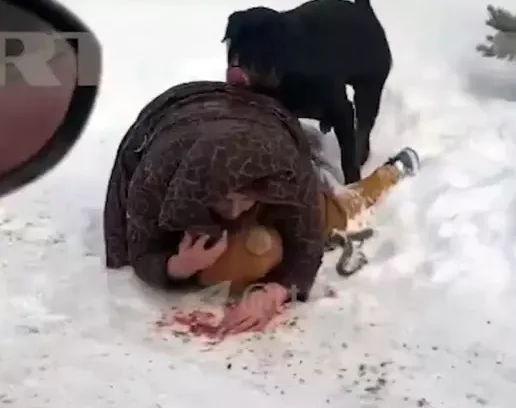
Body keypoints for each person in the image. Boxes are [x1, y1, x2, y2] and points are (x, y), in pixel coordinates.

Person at [103, 80, 420, 337]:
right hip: (181, 129)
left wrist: (276, 291)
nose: (236, 209)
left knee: (333, 214)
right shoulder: (158, 176)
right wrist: (178, 265)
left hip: (267, 134)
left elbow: (307, 245)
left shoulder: (285, 175)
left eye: (245, 198)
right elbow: (141, 247)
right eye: (225, 198)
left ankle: (387, 174)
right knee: (253, 252)